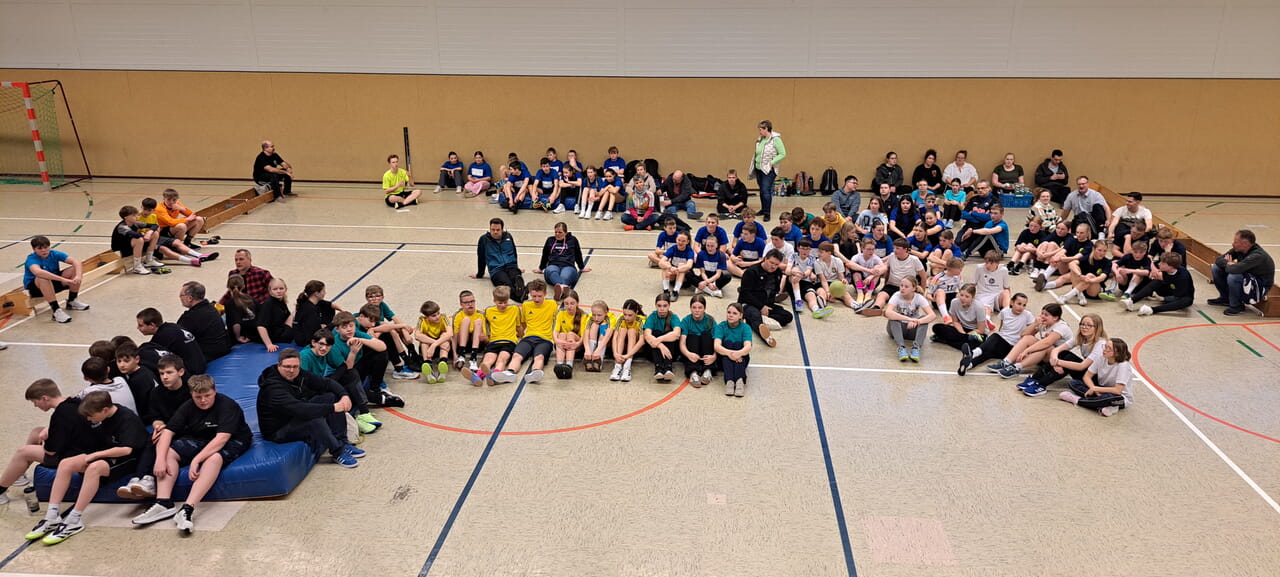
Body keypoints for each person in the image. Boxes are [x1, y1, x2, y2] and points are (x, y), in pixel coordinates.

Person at [126, 375, 251, 533]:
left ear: (215, 391)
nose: (203, 400)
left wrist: (196, 460)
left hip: (232, 439)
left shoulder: (227, 406)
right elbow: (167, 432)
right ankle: (163, 503)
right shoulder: (188, 406)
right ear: (191, 394)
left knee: (214, 458)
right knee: (169, 453)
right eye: (198, 397)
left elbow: (221, 439)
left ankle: (187, 508)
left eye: (207, 396)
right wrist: (160, 459)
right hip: (201, 438)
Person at [25, 391, 147, 546]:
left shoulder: (127, 418)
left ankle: (75, 519)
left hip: (127, 459)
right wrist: (48, 429)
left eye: (91, 416)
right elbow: (71, 402)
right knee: (66, 464)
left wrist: (95, 455)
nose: (89, 419)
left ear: (104, 410)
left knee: (94, 468)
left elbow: (126, 450)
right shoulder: (99, 414)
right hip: (104, 452)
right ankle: (52, 515)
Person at [256, 349, 363, 468]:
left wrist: (344, 395)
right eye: (287, 367)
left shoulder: (299, 374)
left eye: (295, 367)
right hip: (279, 429)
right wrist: (332, 408)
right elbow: (300, 409)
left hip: (293, 416)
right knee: (315, 420)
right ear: (279, 365)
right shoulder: (272, 388)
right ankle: (338, 451)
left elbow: (326, 382)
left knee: (331, 397)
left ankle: (343, 442)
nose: (291, 370)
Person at [0, 380, 89, 507]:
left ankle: (1, 490)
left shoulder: (60, 415)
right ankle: (18, 473)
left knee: (23, 452)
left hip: (74, 455)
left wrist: (46, 440)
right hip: (79, 444)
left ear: (44, 398)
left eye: (35, 402)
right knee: (36, 432)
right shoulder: (73, 402)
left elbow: (50, 451)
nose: (35, 406)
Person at [114, 354, 190, 500]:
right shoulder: (157, 392)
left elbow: (191, 419)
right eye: (161, 373)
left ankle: (149, 478)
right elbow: (154, 416)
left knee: (159, 441)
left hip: (185, 430)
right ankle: (138, 478)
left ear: (181, 372)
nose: (165, 377)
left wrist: (167, 429)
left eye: (169, 373)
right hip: (167, 429)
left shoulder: (190, 391)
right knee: (152, 439)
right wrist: (158, 426)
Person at [297, 331, 379, 434]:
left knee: (351, 374)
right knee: (334, 395)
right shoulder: (305, 356)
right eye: (321, 344)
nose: (324, 348)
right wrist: (329, 385)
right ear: (313, 343)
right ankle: (351, 421)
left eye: (328, 345)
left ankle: (364, 413)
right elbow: (303, 384)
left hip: (320, 383)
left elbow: (343, 366)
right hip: (308, 392)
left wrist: (332, 382)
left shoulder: (326, 351)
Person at [1019, 314, 1107, 397]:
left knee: (1068, 359)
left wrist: (1058, 362)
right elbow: (1056, 350)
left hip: (1094, 379)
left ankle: (1041, 385)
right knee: (1063, 353)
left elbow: (1082, 366)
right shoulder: (1081, 338)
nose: (1084, 327)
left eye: (1089, 325)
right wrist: (1055, 362)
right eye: (1082, 324)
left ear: (1097, 328)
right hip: (1087, 372)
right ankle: (1035, 379)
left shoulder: (1100, 344)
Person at [985, 303, 1073, 379]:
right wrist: (1035, 324)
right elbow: (1024, 334)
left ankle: (1016, 367)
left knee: (1045, 346)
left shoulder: (1061, 327)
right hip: (1046, 356)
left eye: (1046, 315)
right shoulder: (1043, 323)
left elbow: (1047, 343)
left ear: (1055, 318)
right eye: (1042, 313)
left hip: (1059, 358)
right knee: (1028, 338)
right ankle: (1006, 362)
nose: (1042, 316)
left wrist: (1026, 351)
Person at [957, 292, 1034, 376]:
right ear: (1012, 302)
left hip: (1012, 348)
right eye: (1019, 304)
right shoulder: (1005, 311)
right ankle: (970, 364)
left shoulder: (1028, 315)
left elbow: (1031, 334)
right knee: (987, 353)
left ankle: (973, 353)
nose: (1021, 307)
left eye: (1024, 305)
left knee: (995, 337)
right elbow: (1001, 327)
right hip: (1001, 344)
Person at [331, 311, 399, 407]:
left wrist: (360, 340)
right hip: (345, 373)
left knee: (381, 354)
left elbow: (382, 347)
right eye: (344, 327)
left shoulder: (357, 334)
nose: (349, 329)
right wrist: (353, 352)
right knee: (351, 378)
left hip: (358, 366)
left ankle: (375, 387)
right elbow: (347, 369)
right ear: (337, 329)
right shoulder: (335, 345)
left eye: (351, 326)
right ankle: (374, 398)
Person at [497, 280, 557, 384]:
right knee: (516, 356)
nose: (536, 299)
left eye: (539, 296)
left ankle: (535, 372)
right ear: (529, 294)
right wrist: (518, 334)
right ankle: (510, 373)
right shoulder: (526, 305)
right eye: (534, 296)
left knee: (539, 357)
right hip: (528, 338)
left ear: (545, 294)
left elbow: (558, 321)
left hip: (545, 339)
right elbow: (523, 324)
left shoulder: (552, 304)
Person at [1059, 338, 1133, 418]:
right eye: (1105, 346)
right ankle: (1104, 405)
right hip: (1101, 389)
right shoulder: (1101, 358)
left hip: (1119, 397)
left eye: (1109, 348)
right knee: (1073, 383)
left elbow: (1117, 390)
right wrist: (1093, 388)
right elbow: (1087, 376)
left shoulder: (1123, 366)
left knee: (1109, 398)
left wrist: (1095, 389)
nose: (1105, 350)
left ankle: (1078, 400)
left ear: (1117, 353)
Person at [23, 235, 88, 324]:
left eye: (46, 247)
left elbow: (76, 262)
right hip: (35, 288)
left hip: (53, 281)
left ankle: (72, 301)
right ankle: (56, 310)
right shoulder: (32, 259)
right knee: (43, 278)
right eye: (40, 248)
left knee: (74, 269)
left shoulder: (54, 254)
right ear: (34, 249)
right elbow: (38, 272)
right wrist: (62, 279)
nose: (44, 250)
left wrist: (78, 276)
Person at [469, 286, 522, 386]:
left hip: (509, 342)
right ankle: (477, 376)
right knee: (487, 360)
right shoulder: (489, 311)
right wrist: (485, 337)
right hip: (493, 342)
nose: (503, 305)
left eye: (505, 302)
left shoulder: (515, 309)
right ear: (494, 301)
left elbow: (519, 327)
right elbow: (486, 328)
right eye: (500, 303)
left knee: (502, 359)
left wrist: (521, 336)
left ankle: (495, 375)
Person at [861, 238, 928, 316]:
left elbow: (923, 277)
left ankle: (892, 311)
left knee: (902, 300)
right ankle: (876, 308)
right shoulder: (892, 256)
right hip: (892, 285)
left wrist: (922, 294)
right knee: (881, 295)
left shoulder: (914, 260)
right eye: (894, 248)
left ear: (905, 249)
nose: (894, 250)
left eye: (897, 248)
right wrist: (884, 283)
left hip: (906, 287)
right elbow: (887, 270)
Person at [738, 250, 791, 347]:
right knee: (755, 315)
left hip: (767, 304)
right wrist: (761, 307)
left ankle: (751, 320)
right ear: (765, 259)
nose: (773, 266)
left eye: (776, 264)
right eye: (771, 263)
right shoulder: (751, 272)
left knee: (787, 316)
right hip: (749, 303)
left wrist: (767, 306)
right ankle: (766, 336)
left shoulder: (777, 273)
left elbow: (775, 290)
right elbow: (745, 293)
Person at [137, 307, 207, 375]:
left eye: (141, 325)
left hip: (193, 371)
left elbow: (151, 355)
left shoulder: (161, 337)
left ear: (152, 325)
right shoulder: (172, 326)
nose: (138, 328)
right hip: (201, 364)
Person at [1124, 252, 1195, 316]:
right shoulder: (1166, 268)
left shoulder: (1183, 277)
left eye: (1162, 263)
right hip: (1169, 289)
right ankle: (1132, 301)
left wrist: (1164, 299)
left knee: (1186, 301)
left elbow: (1178, 296)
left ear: (1170, 267)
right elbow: (1151, 264)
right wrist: (1153, 271)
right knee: (1157, 281)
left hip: (1180, 295)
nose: (1159, 264)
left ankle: (1152, 310)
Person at [471, 218, 525, 300]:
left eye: (498, 230)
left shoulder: (508, 237)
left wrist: (516, 267)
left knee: (516, 278)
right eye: (493, 230)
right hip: (496, 270)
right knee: (506, 285)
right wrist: (479, 274)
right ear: (490, 229)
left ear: (502, 229)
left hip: (511, 266)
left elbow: (514, 252)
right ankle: (522, 296)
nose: (495, 232)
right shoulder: (484, 240)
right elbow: (481, 258)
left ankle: (520, 291)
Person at [884, 277, 936, 362]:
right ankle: (901, 347)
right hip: (897, 329)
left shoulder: (919, 298)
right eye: (901, 285)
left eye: (906, 286)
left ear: (914, 288)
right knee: (893, 318)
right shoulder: (896, 295)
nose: (902, 288)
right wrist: (909, 319)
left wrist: (918, 321)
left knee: (924, 319)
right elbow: (888, 312)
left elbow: (932, 315)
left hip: (912, 330)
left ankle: (916, 348)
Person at [536, 222, 590, 300]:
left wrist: (581, 267)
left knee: (565, 276)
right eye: (555, 232)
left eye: (560, 232)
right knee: (551, 271)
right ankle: (562, 287)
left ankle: (559, 289)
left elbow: (578, 254)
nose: (557, 234)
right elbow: (545, 255)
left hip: (568, 266)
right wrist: (541, 268)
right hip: (553, 265)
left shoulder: (573, 240)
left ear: (566, 233)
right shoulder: (550, 240)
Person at [177, 281, 230, 361]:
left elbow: (179, 338)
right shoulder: (212, 308)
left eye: (181, 295)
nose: (180, 298)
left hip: (208, 354)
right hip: (222, 347)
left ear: (190, 298)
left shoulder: (190, 317)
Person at [1052, 240, 1112, 307]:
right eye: (1099, 250)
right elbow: (1072, 263)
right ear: (1094, 249)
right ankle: (1080, 296)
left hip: (1094, 291)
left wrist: (1090, 280)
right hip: (1082, 286)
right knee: (1074, 270)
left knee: (1089, 275)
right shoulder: (1087, 257)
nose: (1102, 253)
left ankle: (1066, 297)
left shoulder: (1107, 262)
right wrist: (1080, 275)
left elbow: (1102, 277)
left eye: (1105, 251)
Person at [930, 283, 988, 350]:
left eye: (967, 297)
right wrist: (963, 334)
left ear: (973, 297)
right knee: (937, 327)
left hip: (975, 332)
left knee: (977, 345)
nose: (963, 298)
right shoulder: (954, 302)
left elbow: (981, 330)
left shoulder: (979, 307)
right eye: (961, 295)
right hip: (961, 329)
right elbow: (955, 322)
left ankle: (945, 340)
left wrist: (967, 335)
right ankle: (962, 340)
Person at [714, 303, 754, 398]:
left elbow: (748, 346)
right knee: (728, 343)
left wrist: (738, 353)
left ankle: (739, 381)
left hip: (741, 357)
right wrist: (730, 354)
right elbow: (716, 346)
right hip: (724, 358)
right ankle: (730, 381)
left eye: (734, 313)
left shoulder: (745, 327)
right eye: (729, 312)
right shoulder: (721, 326)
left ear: (740, 316)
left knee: (737, 344)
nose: (730, 315)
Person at [750, 120, 786, 221]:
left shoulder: (776, 139)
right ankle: (763, 209)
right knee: (762, 190)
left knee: (766, 190)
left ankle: (767, 213)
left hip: (769, 170)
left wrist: (772, 162)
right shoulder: (760, 139)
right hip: (759, 169)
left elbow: (782, 154)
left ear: (766, 129)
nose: (759, 131)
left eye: (760, 129)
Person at [643, 293, 683, 382]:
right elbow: (647, 335)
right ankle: (658, 369)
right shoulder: (652, 317)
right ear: (655, 306)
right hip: (653, 353)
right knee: (655, 333)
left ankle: (668, 368)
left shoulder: (673, 317)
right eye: (659, 306)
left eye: (665, 306)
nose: (662, 309)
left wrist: (659, 340)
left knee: (669, 334)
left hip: (671, 353)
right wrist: (660, 345)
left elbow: (677, 334)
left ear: (669, 306)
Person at [413, 302, 456, 383]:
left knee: (445, 336)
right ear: (427, 317)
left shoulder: (443, 317)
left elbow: (450, 333)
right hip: (429, 350)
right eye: (433, 316)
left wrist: (435, 345)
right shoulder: (422, 320)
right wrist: (434, 343)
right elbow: (417, 336)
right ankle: (428, 367)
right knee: (424, 342)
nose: (437, 317)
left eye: (438, 313)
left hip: (442, 347)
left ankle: (442, 365)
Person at [679, 295, 717, 387]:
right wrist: (688, 354)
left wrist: (714, 356)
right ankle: (693, 372)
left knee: (706, 335)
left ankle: (708, 370)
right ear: (690, 308)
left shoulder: (711, 321)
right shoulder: (686, 321)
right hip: (692, 350)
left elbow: (717, 342)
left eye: (700, 308)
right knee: (692, 337)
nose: (697, 310)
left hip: (706, 351)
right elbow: (682, 343)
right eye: (694, 307)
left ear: (704, 308)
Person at [112, 205, 162, 274]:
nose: (137, 217)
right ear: (126, 217)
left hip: (131, 245)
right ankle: (137, 267)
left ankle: (149, 260)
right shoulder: (122, 227)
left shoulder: (135, 223)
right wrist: (143, 234)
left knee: (155, 233)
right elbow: (135, 234)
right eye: (134, 216)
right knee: (139, 239)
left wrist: (150, 232)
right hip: (122, 249)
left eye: (136, 215)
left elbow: (155, 225)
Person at [114, 342, 158, 418]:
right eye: (119, 361)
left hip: (150, 416)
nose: (122, 365)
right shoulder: (144, 369)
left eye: (126, 361)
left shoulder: (137, 381)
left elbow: (141, 405)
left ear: (137, 359)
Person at [293, 280, 342, 347]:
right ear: (316, 293)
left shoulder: (314, 301)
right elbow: (315, 333)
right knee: (336, 325)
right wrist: (334, 323)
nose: (325, 293)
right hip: (305, 340)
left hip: (306, 333)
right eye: (323, 291)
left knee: (329, 309)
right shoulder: (310, 310)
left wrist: (342, 310)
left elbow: (330, 305)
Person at [552, 291, 587, 379]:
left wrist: (577, 344)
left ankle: (569, 365)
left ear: (577, 303)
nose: (569, 306)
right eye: (566, 304)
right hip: (563, 344)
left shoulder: (583, 316)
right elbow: (555, 331)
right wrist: (557, 341)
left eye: (572, 303)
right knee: (562, 334)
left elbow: (584, 336)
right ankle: (559, 365)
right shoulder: (561, 313)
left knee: (570, 334)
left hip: (577, 346)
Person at [609, 299, 646, 382]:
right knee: (622, 330)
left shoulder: (641, 320)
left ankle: (627, 367)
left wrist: (628, 355)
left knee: (631, 331)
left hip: (635, 349)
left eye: (630, 315)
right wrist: (615, 354)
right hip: (623, 348)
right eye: (625, 314)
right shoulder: (621, 319)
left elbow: (641, 341)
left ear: (636, 312)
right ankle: (617, 366)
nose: (626, 318)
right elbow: (615, 338)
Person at [256, 278, 295, 353]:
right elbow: (261, 326)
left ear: (286, 289)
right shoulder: (268, 304)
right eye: (275, 289)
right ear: (270, 291)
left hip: (282, 331)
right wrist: (269, 344)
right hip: (276, 337)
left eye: (281, 288)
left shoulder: (281, 301)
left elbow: (287, 318)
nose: (279, 291)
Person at [452, 290, 486, 371]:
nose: (470, 304)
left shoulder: (480, 314)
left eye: (472, 301)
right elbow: (454, 337)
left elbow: (487, 337)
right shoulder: (458, 315)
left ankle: (473, 358)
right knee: (466, 320)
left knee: (478, 322)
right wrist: (454, 355)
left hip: (477, 344)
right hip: (462, 343)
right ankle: (461, 355)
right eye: (466, 303)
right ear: (461, 304)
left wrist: (484, 337)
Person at [582, 300, 617, 373]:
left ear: (606, 313)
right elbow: (585, 334)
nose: (596, 318)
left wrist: (598, 350)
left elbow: (607, 336)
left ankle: (599, 359)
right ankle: (590, 358)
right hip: (594, 339)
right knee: (594, 325)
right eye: (594, 315)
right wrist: (587, 349)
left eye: (599, 315)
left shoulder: (611, 318)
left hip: (606, 342)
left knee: (604, 325)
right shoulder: (590, 318)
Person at [224, 275, 258, 345]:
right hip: (254, 334)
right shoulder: (250, 298)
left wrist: (238, 337)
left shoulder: (230, 303)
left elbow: (236, 324)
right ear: (244, 286)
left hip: (242, 337)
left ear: (228, 287)